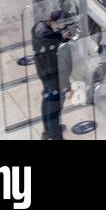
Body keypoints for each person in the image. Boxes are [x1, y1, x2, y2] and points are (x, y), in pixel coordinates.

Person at [31, 9, 68, 140]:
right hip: (50, 71)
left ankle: (48, 130)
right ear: (54, 22)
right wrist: (62, 36)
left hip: (43, 69)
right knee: (54, 104)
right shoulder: (46, 34)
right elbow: (50, 38)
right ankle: (56, 136)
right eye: (61, 24)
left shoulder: (39, 25)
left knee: (47, 97)